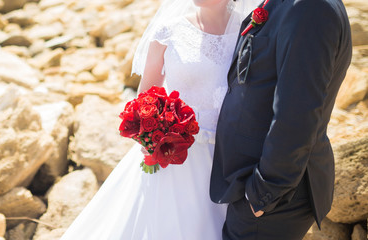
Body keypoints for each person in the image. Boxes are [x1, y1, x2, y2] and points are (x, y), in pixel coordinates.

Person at [60, 0, 260, 239]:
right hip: (172, 157)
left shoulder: (251, 30)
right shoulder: (169, 31)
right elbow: (145, 99)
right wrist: (152, 137)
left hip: (227, 160)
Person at [210, 0, 353, 239]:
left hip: (274, 196)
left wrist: (264, 192)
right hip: (257, 185)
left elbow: (298, 112)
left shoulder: (309, 8)